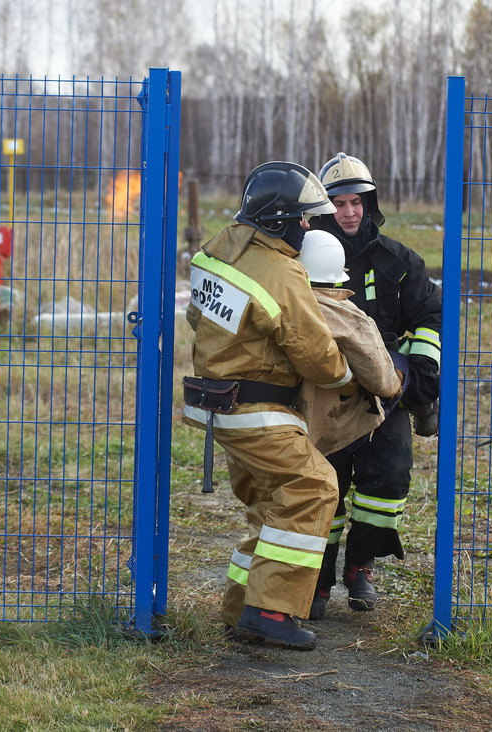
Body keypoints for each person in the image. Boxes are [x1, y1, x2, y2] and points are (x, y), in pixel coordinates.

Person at [181, 161, 354, 651]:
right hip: (256, 409)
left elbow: (197, 317)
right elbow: (316, 353)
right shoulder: (279, 270)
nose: (307, 228)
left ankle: (241, 605)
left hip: (213, 404)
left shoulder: (216, 249)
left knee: (270, 506)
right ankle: (271, 610)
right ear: (279, 221)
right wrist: (345, 377)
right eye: (303, 219)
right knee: (313, 488)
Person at [307, 152, 443, 617]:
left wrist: (418, 377)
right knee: (325, 485)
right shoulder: (304, 262)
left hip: (389, 395)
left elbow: (430, 317)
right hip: (326, 394)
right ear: (324, 208)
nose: (348, 212)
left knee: (388, 481)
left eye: (357, 202)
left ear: (371, 204)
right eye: (338, 203)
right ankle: (318, 581)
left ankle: (360, 565)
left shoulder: (401, 263)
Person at [293, 229, 405, 458]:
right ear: (336, 278)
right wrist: (399, 379)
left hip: (282, 422)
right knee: (401, 366)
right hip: (331, 429)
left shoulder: (278, 302)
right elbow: (382, 383)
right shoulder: (350, 320)